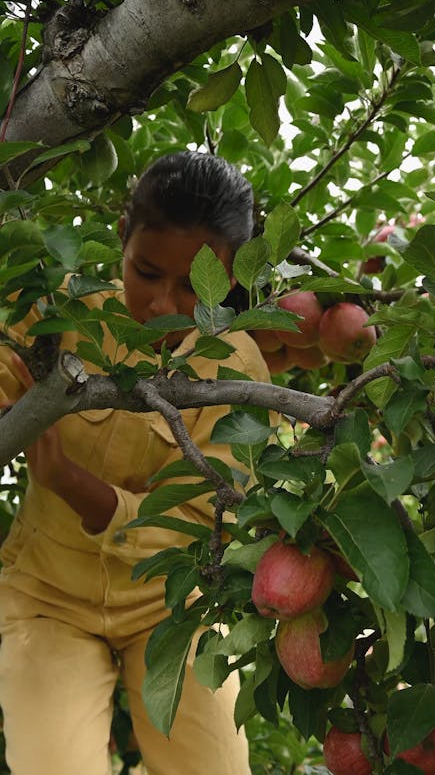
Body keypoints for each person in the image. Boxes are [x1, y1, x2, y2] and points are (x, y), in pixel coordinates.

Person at [0, 151, 271, 775]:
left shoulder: (236, 368)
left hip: (174, 610)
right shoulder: (58, 311)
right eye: (146, 272)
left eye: (195, 285)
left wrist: (68, 482)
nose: (161, 306)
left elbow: (198, 523)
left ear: (233, 278)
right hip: (48, 597)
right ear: (121, 236)